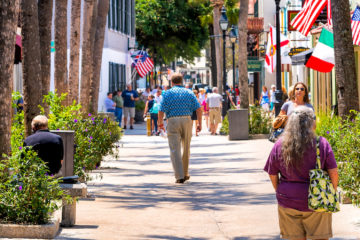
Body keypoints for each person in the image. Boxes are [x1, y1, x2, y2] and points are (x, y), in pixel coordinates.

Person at [264, 106, 338, 240]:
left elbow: (272, 173)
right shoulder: (321, 143)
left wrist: (279, 190)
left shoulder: (280, 144)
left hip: (287, 200)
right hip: (317, 200)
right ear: (311, 122)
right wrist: (330, 192)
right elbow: (333, 172)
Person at [158, 73, 202, 184]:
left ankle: (179, 175)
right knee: (186, 147)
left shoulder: (167, 93)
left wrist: (160, 123)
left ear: (171, 82)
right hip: (187, 120)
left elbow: (161, 110)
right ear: (181, 81)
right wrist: (199, 123)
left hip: (172, 121)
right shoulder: (189, 92)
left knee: (175, 149)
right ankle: (186, 172)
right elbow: (198, 109)